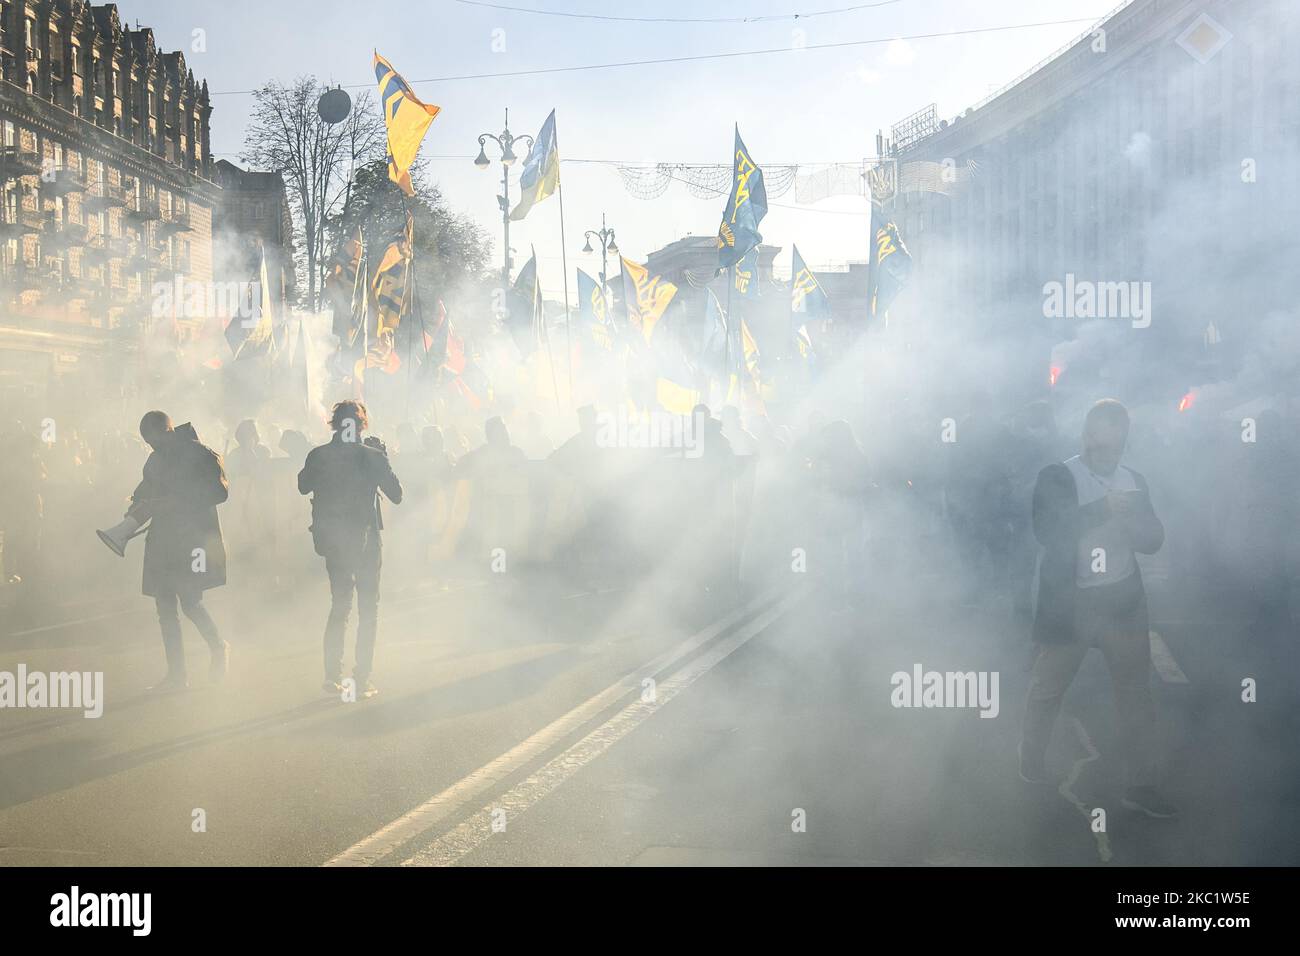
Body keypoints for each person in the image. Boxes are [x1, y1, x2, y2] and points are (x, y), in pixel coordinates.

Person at [1019, 399, 1175, 818]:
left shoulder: (1133, 481)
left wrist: (1134, 522)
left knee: (1135, 696)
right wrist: (1101, 510)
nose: (1109, 454)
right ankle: (1030, 764)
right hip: (1073, 601)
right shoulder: (1058, 475)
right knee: (1048, 688)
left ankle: (1142, 784)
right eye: (1101, 444)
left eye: (1117, 446)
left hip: (1122, 600)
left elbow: (1154, 540)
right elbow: (1047, 531)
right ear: (1086, 438)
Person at [297, 401, 402, 699]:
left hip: (333, 539)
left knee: (340, 606)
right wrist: (382, 459)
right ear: (361, 425)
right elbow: (397, 495)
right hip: (366, 540)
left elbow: (303, 486)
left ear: (334, 424)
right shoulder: (372, 456)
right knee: (368, 609)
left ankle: (332, 676)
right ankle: (362, 678)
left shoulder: (318, 455)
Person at [127, 411, 231, 692]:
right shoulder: (155, 459)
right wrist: (134, 508)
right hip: (162, 539)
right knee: (164, 607)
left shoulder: (201, 454)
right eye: (148, 442)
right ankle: (176, 675)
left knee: (191, 602)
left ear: (168, 431)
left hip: (193, 540)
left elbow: (220, 492)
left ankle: (218, 646)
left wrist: (176, 502)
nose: (152, 446)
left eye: (154, 440)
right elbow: (145, 490)